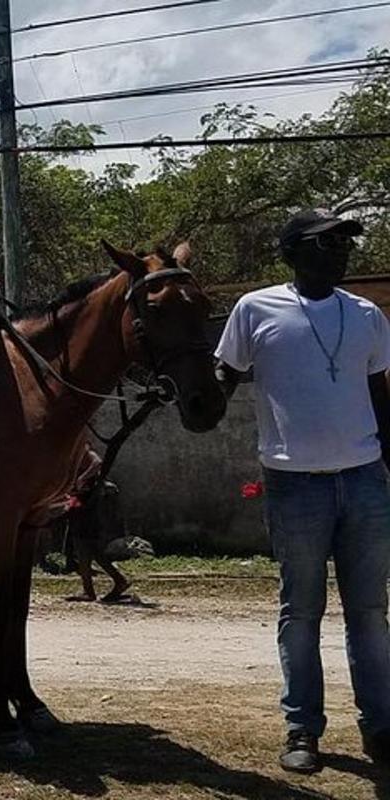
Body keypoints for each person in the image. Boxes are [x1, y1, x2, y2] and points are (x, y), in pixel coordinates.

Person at [216, 208, 390, 774]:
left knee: (369, 610)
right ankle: (302, 729)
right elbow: (221, 377)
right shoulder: (254, 309)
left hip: (364, 481)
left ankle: (382, 725)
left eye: (345, 242)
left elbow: (380, 397)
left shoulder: (366, 314)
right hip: (294, 487)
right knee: (302, 611)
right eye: (326, 243)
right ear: (292, 252)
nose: (341, 251)